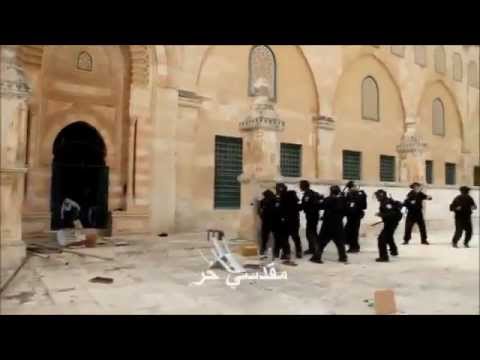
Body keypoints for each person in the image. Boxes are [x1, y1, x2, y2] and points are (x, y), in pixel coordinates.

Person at [310, 185, 348, 264]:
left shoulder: (328, 199)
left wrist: (319, 199)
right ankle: (343, 257)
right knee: (339, 242)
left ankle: (316, 257)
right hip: (338, 224)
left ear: (331, 191)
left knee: (321, 242)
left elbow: (320, 206)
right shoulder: (343, 200)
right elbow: (345, 211)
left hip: (328, 225)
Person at [374, 189, 403, 262]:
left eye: (377, 196)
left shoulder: (386, 203)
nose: (376, 198)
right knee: (389, 236)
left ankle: (384, 257)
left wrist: (380, 214)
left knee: (381, 239)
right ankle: (394, 251)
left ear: (381, 195)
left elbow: (391, 213)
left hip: (391, 223)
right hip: (390, 222)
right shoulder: (385, 201)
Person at [299, 180, 323, 255]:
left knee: (311, 233)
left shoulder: (308, 195)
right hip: (314, 215)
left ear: (303, 186)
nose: (300, 187)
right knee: (312, 232)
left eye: (300, 185)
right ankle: (313, 248)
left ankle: (316, 249)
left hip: (311, 216)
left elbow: (304, 205)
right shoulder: (313, 193)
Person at [344, 180, 367, 253]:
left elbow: (363, 206)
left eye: (353, 187)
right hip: (350, 215)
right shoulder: (349, 194)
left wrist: (353, 194)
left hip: (355, 215)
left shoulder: (360, 194)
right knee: (349, 231)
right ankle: (351, 245)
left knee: (353, 232)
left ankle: (354, 247)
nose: (355, 187)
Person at [272, 183, 290, 260]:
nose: (278, 189)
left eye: (279, 188)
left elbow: (286, 209)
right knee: (277, 238)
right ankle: (277, 252)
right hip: (276, 221)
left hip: (283, 221)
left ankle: (286, 253)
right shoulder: (276, 196)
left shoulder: (286, 196)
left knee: (283, 238)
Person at [258, 189, 277, 258]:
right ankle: (264, 249)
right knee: (265, 237)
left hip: (272, 221)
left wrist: (262, 217)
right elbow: (259, 211)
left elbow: (278, 210)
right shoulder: (263, 201)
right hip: (268, 221)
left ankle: (274, 251)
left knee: (269, 237)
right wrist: (262, 217)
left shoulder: (275, 200)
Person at [284, 189, 303, 258]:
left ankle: (287, 253)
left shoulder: (284, 203)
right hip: (295, 222)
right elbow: (300, 208)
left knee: (285, 238)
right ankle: (299, 252)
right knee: (296, 237)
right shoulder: (295, 202)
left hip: (286, 222)